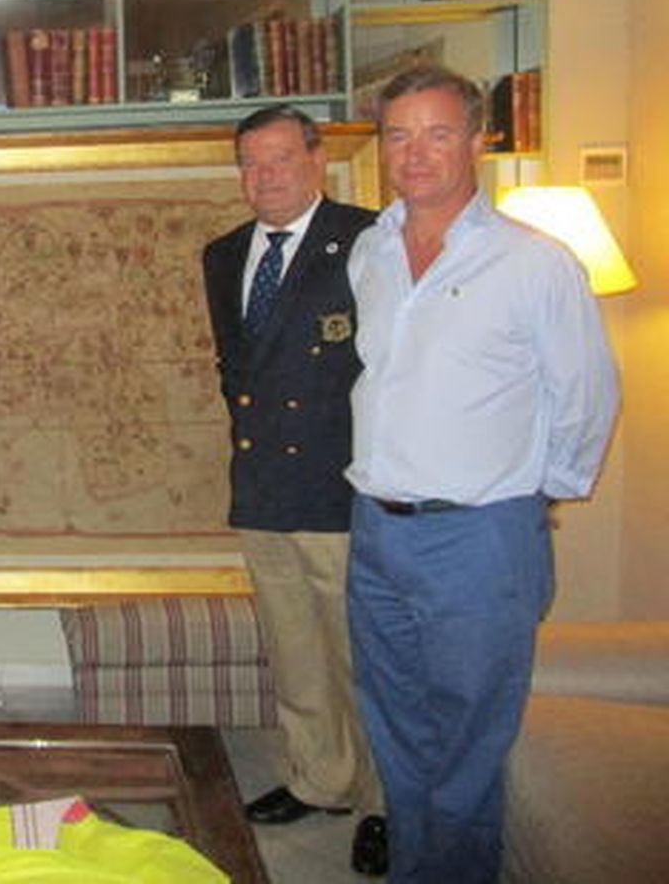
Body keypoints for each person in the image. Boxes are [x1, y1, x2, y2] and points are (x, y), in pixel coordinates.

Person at [345, 66, 620, 884]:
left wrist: (535, 498)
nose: (416, 153)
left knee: (467, 743)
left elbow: (586, 395)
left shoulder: (535, 263)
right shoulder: (372, 250)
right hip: (376, 530)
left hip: (479, 537)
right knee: (396, 728)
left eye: (437, 133)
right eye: (399, 135)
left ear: (477, 140)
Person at [201, 104, 387, 877]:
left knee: (360, 658)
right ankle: (321, 778)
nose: (264, 176)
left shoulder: (370, 238)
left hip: (338, 486)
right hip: (263, 486)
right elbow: (234, 369)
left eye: (280, 159)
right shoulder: (224, 254)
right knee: (295, 648)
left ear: (316, 159)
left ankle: (385, 802)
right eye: (250, 163)